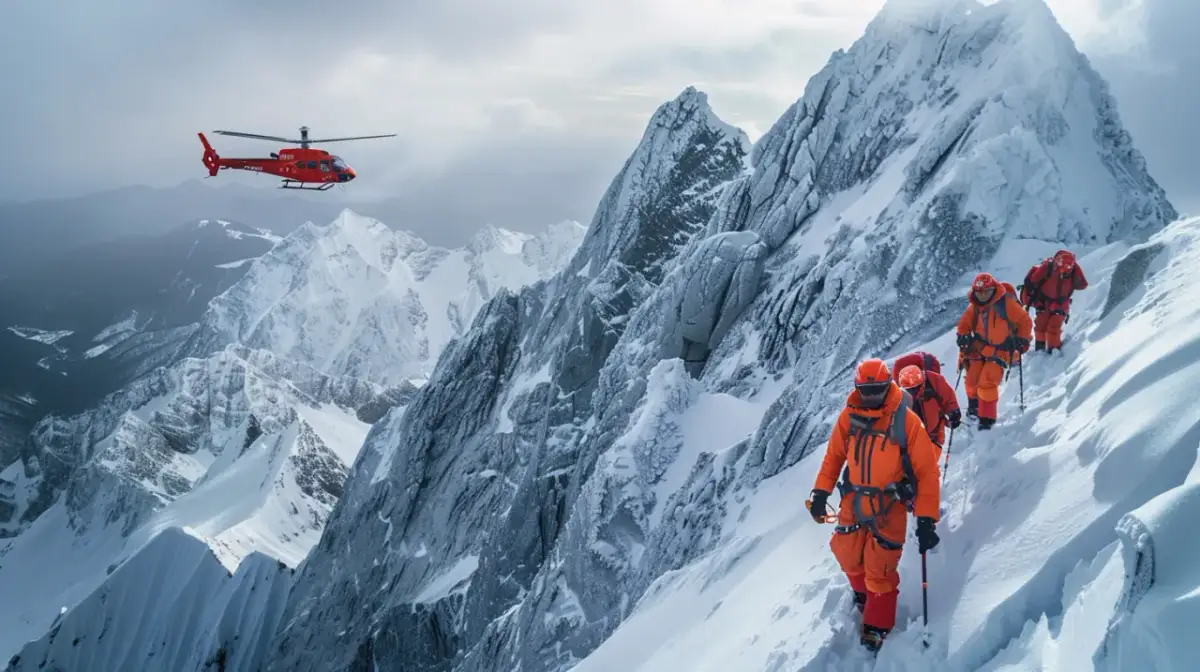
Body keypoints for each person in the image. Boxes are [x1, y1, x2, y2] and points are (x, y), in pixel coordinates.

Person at [807, 358, 941, 653]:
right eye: (866, 391)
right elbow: (834, 457)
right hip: (853, 499)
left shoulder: (906, 421)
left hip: (888, 505)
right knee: (846, 553)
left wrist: (926, 518)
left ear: (887, 386)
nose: (871, 396)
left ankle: (877, 627)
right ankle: (864, 596)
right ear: (857, 388)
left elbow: (927, 472)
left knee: (879, 569)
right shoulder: (849, 417)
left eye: (877, 390)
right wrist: (820, 493)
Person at [956, 273, 1033, 429]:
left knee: (987, 382)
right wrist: (962, 335)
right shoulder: (975, 307)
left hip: (1000, 350)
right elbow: (964, 324)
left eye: (987, 291)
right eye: (980, 292)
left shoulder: (1006, 304)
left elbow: (1025, 320)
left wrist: (1022, 340)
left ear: (993, 289)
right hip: (978, 348)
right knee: (972, 380)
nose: (983, 295)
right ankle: (974, 407)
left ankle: (987, 420)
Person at [1020, 250, 1088, 353]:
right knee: (1041, 326)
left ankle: (1051, 351)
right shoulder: (1047, 268)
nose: (1065, 272)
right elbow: (1032, 282)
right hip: (1044, 302)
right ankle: (1043, 350)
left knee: (1053, 327)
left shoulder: (1071, 270)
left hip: (1060, 304)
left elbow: (1082, 284)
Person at [896, 364, 961, 457]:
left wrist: (954, 412)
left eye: (916, 388)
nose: (914, 392)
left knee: (932, 459)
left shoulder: (934, 380)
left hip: (935, 430)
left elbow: (948, 396)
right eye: (910, 390)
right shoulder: (900, 395)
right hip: (914, 435)